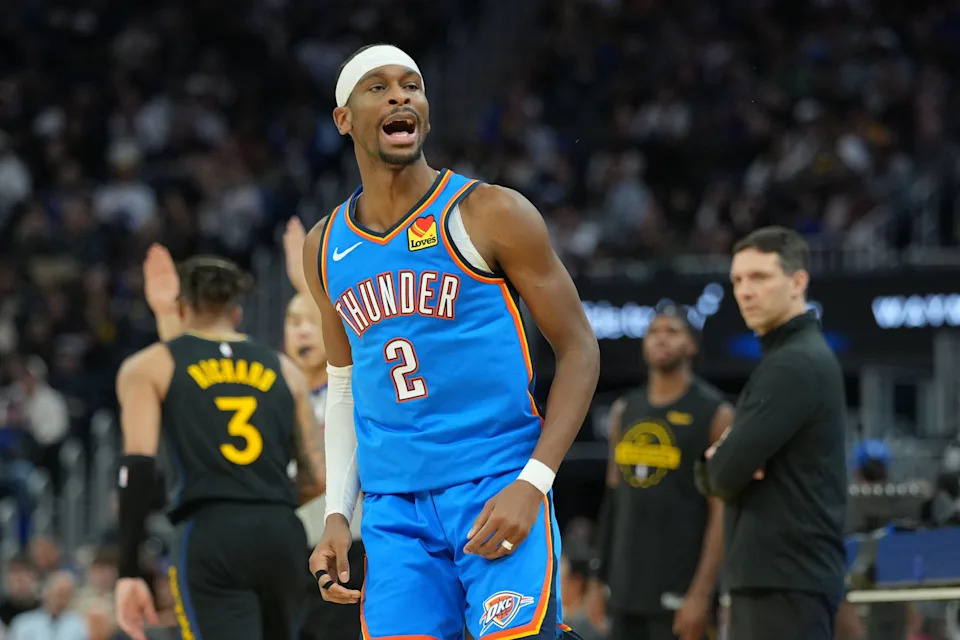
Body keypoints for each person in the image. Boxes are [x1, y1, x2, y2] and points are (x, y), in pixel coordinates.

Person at [303, 43, 600, 640]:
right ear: (344, 119)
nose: (399, 96)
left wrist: (533, 483)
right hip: (393, 510)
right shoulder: (324, 245)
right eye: (378, 87)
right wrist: (337, 512)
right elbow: (344, 389)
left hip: (495, 485)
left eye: (411, 85)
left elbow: (580, 350)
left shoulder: (490, 212)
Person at [114, 255, 325, 640]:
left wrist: (128, 570)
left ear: (181, 308)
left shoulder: (149, 366)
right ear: (237, 312)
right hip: (281, 530)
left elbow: (137, 469)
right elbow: (318, 475)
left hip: (210, 532)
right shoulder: (285, 369)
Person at [694, 227, 847, 640]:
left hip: (784, 582)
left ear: (798, 282)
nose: (745, 291)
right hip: (782, 580)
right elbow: (731, 466)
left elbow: (722, 474)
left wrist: (718, 459)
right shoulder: (791, 358)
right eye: (738, 281)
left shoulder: (793, 365)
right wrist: (730, 458)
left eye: (760, 277)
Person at [591, 306, 732, 640]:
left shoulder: (715, 413)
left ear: (692, 345)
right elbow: (612, 499)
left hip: (680, 588)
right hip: (624, 588)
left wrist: (701, 593)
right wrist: (598, 581)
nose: (661, 339)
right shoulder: (625, 409)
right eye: (654, 332)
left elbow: (721, 513)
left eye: (672, 331)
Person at [5, 571, 86, 640]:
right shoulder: (23, 623)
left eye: (66, 594)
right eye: (59, 593)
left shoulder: (80, 624)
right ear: (46, 592)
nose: (61, 599)